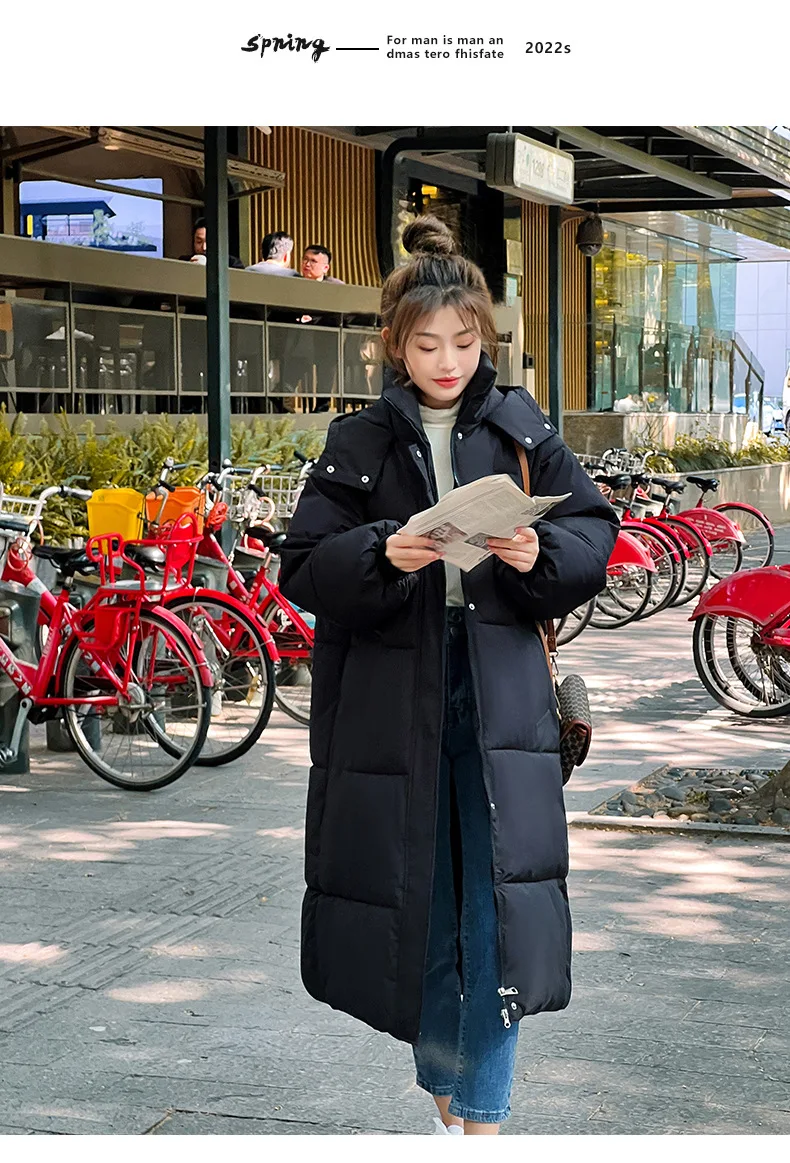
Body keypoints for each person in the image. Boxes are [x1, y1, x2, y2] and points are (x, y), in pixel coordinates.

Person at [278, 215, 618, 1135]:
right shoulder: (360, 441)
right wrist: (383, 552)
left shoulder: (520, 424)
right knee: (421, 908)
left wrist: (533, 546)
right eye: (427, 343)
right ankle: (450, 1096)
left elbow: (596, 536)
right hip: (394, 706)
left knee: (497, 908)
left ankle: (482, 1115)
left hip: (500, 693)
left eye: (464, 342)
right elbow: (301, 567)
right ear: (395, 344)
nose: (447, 359)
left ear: (484, 338)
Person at [179, 218, 244, 268]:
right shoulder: (184, 262)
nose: (204, 248)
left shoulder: (233, 263)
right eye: (199, 242)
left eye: (208, 242)